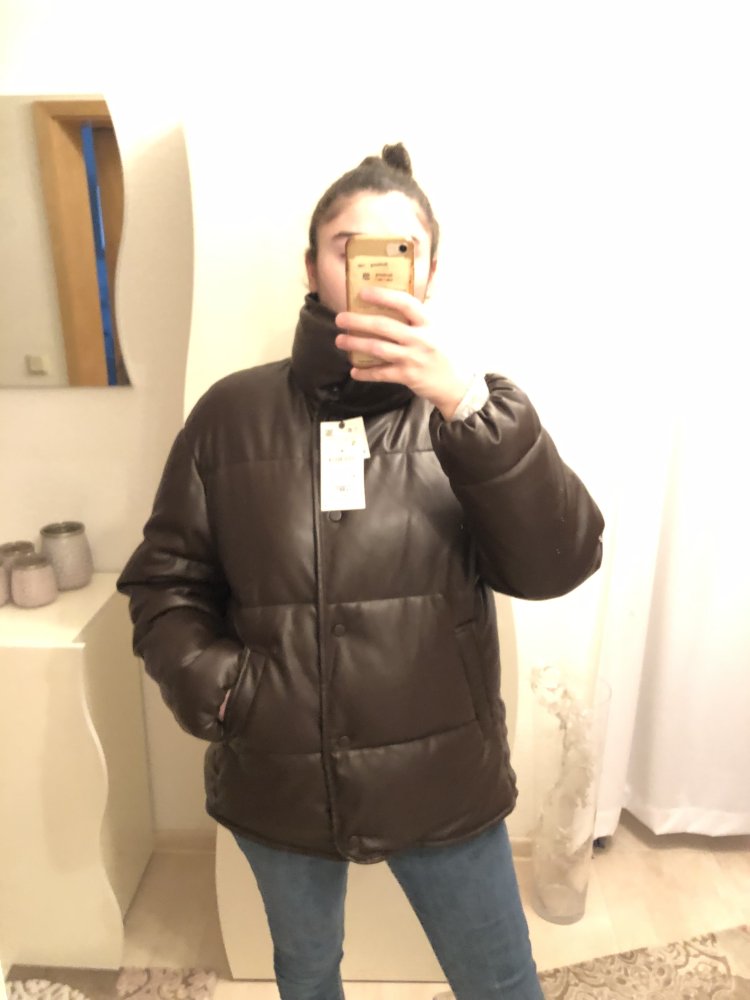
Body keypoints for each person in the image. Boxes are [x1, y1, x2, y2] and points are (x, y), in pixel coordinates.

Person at [117, 143, 604, 1000]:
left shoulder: (471, 415)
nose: (372, 270)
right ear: (312, 268)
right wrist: (227, 693)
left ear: (428, 274)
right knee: (306, 972)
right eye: (348, 248)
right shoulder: (231, 415)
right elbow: (165, 583)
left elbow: (558, 563)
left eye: (398, 251)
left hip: (442, 776)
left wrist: (467, 406)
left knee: (500, 982)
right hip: (276, 771)